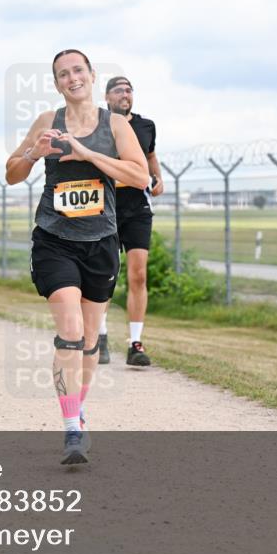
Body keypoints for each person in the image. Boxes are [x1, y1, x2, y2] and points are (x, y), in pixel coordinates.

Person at [5, 49, 148, 464]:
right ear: (56, 83)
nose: (72, 78)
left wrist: (89, 155)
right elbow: (12, 172)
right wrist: (36, 154)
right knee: (69, 331)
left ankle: (77, 412)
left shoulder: (116, 125)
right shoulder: (48, 122)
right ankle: (70, 430)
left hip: (101, 241)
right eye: (63, 74)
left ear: (91, 75)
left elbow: (139, 176)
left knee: (88, 340)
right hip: (54, 239)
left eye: (78, 70)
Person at [99, 76, 164, 367]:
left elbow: (150, 155)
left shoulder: (145, 125)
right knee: (104, 275)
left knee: (138, 275)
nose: (125, 94)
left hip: (137, 207)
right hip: (106, 206)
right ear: (106, 96)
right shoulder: (99, 125)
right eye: (118, 90)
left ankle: (135, 343)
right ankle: (99, 337)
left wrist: (158, 177)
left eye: (129, 90)